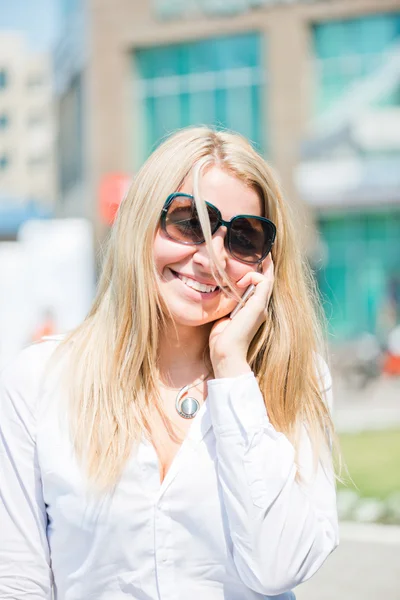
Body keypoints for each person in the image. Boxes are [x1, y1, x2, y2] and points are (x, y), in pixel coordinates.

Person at [0, 127, 339, 600]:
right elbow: (19, 582)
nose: (213, 258)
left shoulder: (293, 379)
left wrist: (231, 367)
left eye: (243, 236)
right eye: (189, 223)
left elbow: (278, 568)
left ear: (265, 262)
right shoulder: (40, 380)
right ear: (141, 222)